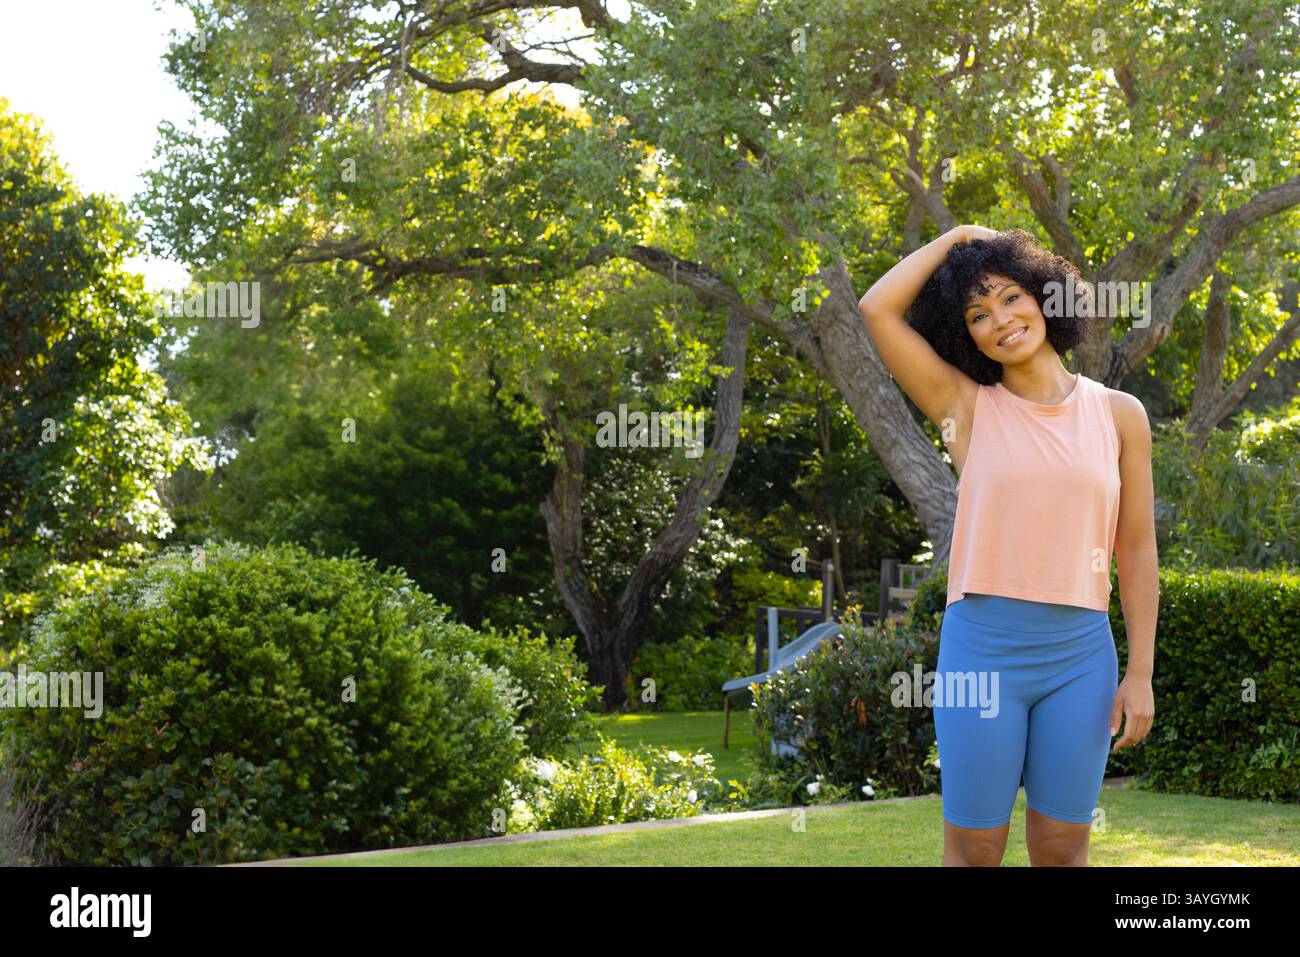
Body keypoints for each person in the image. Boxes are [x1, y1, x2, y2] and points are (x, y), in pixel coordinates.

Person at [858, 225, 1158, 866]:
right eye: (977, 314)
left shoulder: (1120, 414)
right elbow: (875, 309)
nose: (1000, 320)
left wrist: (1139, 675)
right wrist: (958, 237)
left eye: (1009, 297)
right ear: (963, 336)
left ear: (1044, 296)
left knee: (1061, 850)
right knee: (974, 851)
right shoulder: (963, 407)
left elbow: (1135, 551)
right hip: (982, 655)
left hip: (1081, 657)